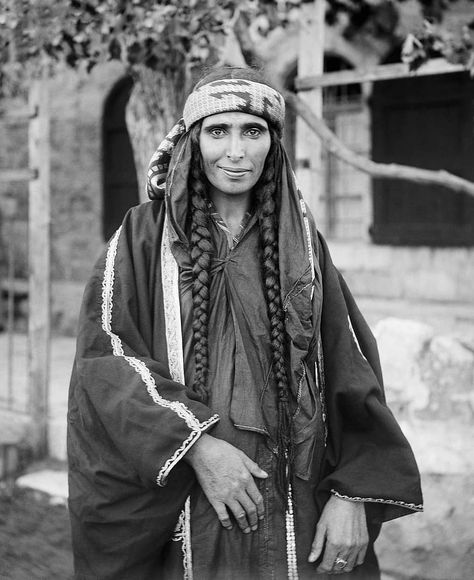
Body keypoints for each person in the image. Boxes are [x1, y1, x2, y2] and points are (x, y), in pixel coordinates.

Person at [67, 66, 423, 580]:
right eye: (218, 131)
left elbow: (349, 366)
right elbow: (106, 357)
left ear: (272, 145)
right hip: (191, 508)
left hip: (297, 503)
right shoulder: (143, 241)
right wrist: (198, 447)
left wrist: (352, 493)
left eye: (252, 131)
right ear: (192, 141)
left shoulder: (302, 244)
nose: (235, 151)